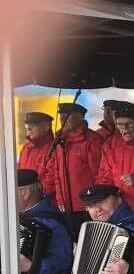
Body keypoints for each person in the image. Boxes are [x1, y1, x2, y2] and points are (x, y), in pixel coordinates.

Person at [42, 102, 104, 237]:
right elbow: (57, 173)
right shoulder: (60, 141)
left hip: (87, 205)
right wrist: (60, 199)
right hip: (66, 206)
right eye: (61, 116)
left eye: (68, 115)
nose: (63, 119)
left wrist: (94, 200)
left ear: (80, 117)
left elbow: (99, 173)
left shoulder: (92, 140)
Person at [14, 169, 73, 274]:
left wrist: (31, 266)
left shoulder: (52, 222)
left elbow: (63, 265)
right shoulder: (13, 217)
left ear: (25, 193)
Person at [18, 111, 55, 181]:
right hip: (23, 191)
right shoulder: (25, 148)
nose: (28, 129)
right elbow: (18, 172)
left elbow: (52, 180)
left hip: (42, 192)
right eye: (27, 126)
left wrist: (36, 191)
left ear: (46, 127)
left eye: (33, 125)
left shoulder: (54, 149)